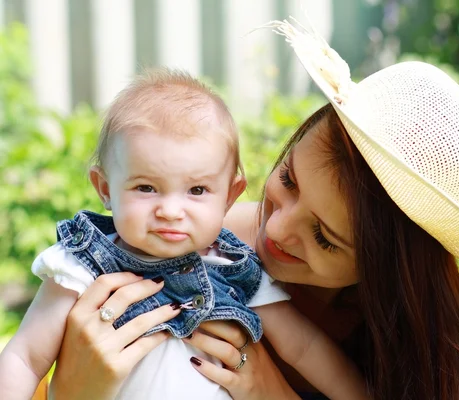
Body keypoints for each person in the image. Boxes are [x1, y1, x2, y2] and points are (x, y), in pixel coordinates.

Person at [0, 68, 367, 400]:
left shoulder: (234, 269)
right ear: (105, 188)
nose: (171, 211)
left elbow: (304, 347)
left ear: (230, 195)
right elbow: (24, 358)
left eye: (196, 191)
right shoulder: (83, 266)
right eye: (146, 188)